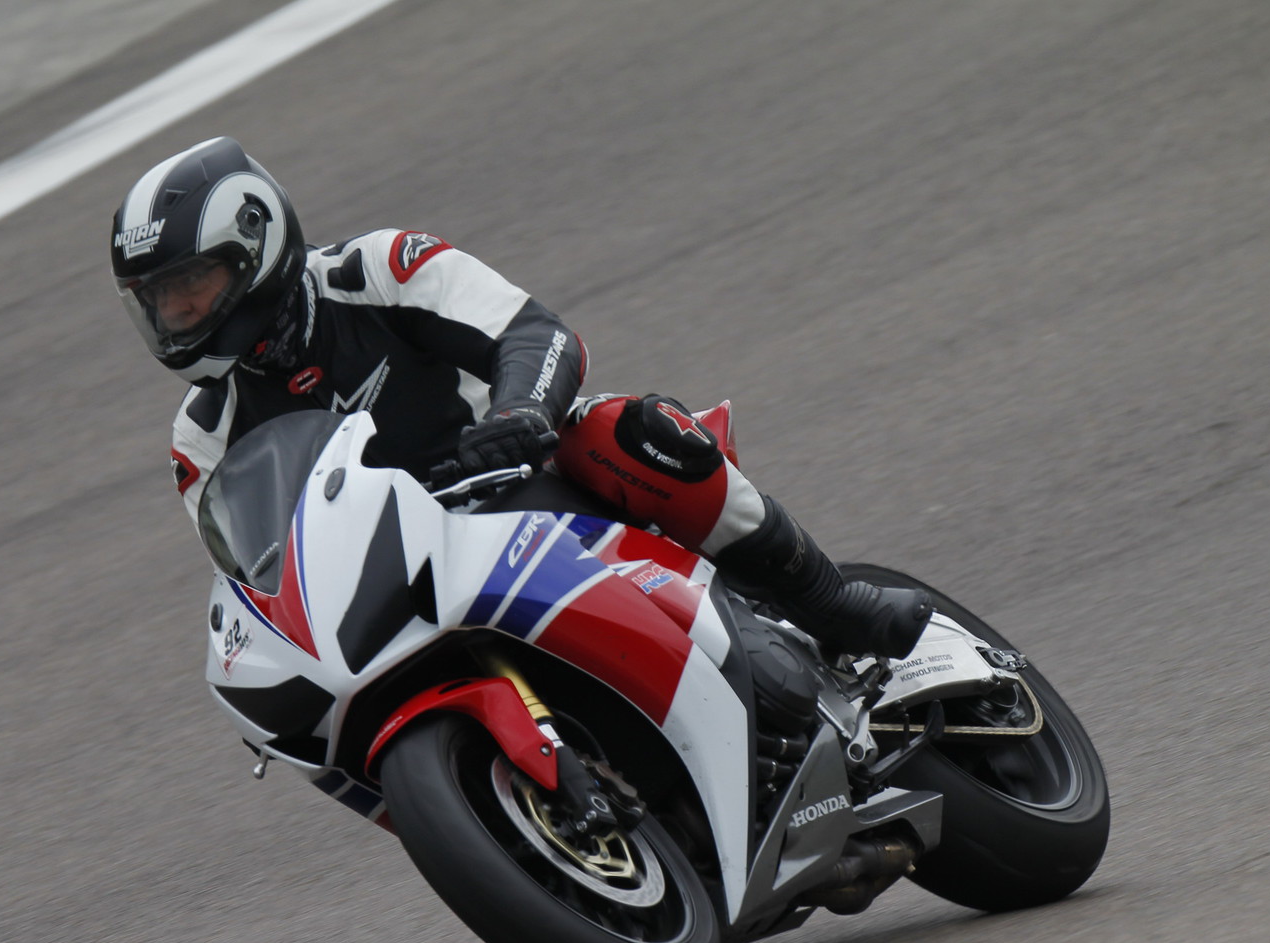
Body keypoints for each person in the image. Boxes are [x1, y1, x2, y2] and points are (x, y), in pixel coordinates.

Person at [110, 137, 931, 660]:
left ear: (254, 244)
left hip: (522, 481)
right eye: (160, 300)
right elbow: (261, 578)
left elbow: (533, 333)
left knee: (628, 431)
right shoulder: (200, 441)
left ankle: (829, 602)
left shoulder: (379, 269)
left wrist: (520, 413)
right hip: (400, 585)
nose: (176, 312)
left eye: (190, 284)